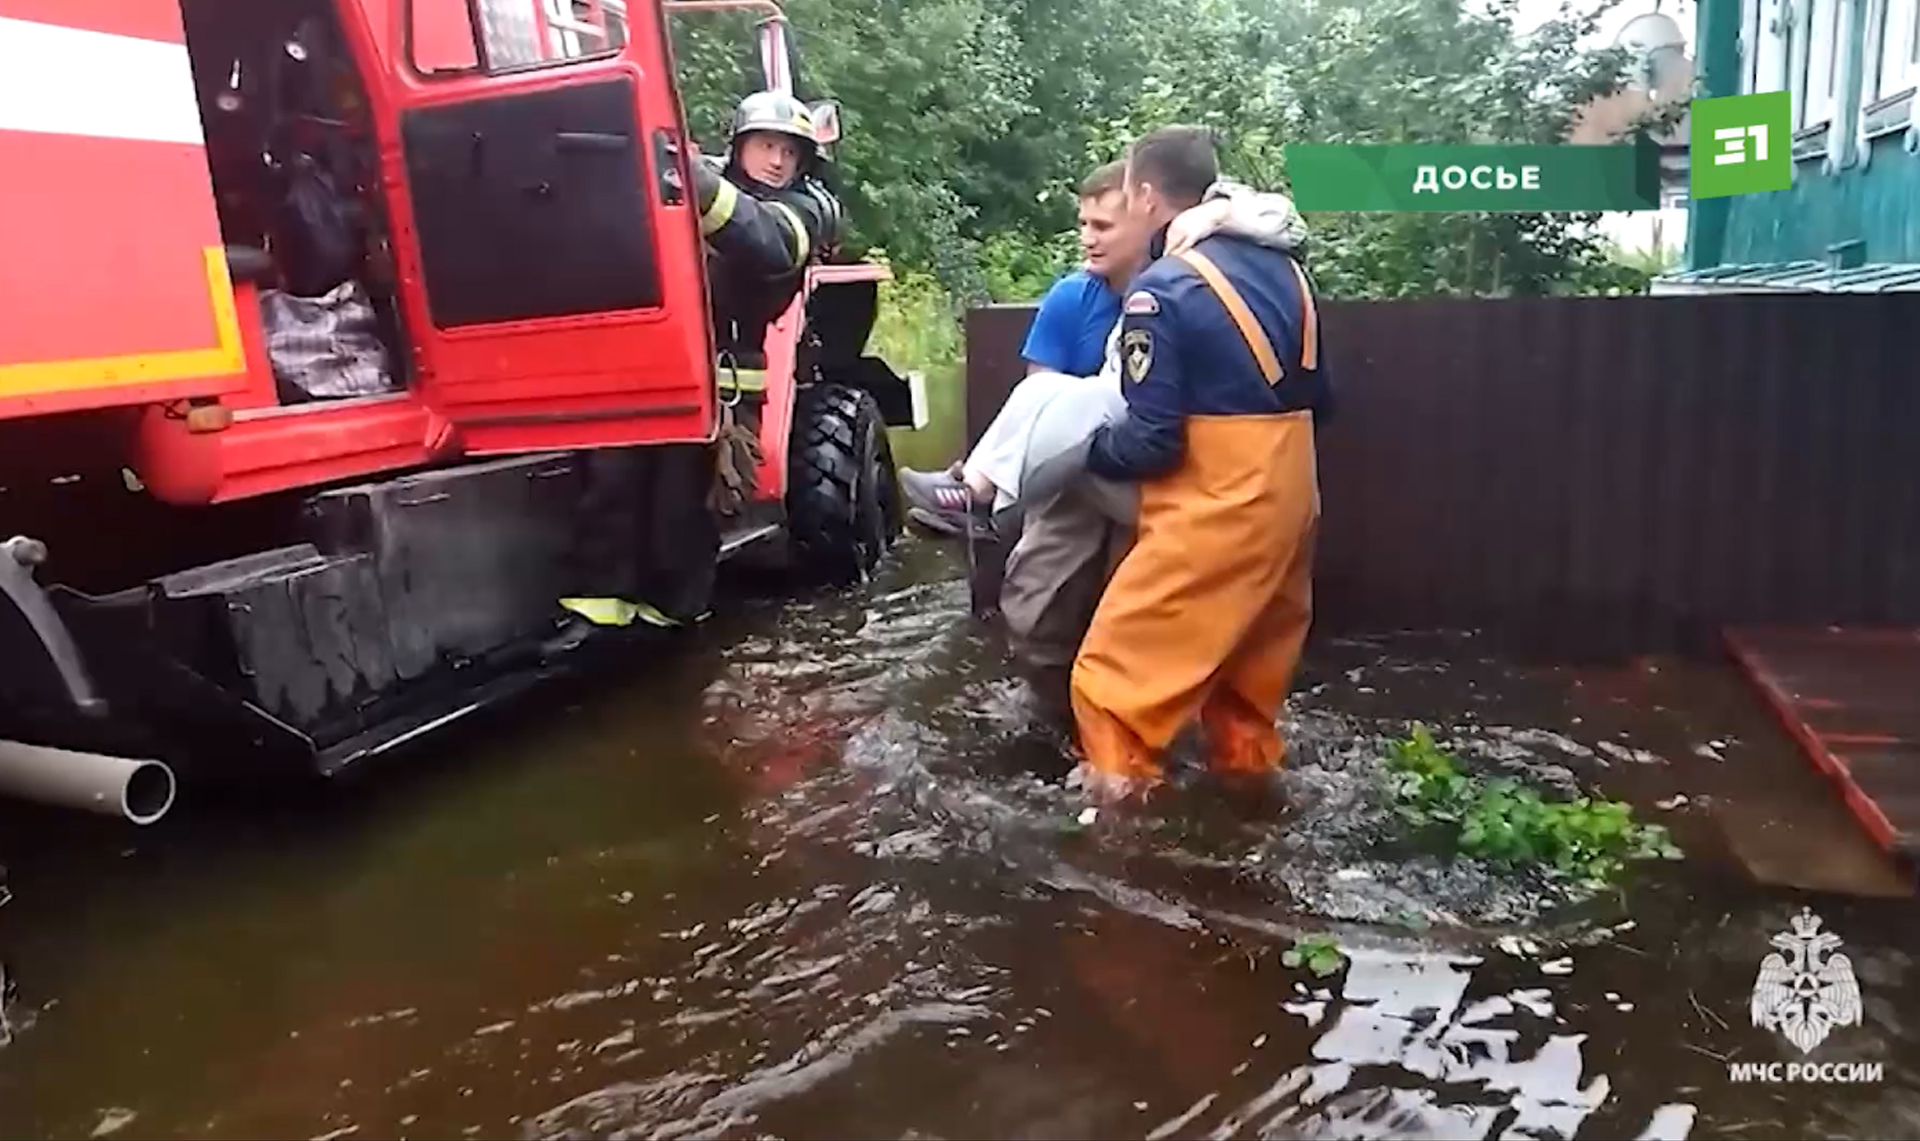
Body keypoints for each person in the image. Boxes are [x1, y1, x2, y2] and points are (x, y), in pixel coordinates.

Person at [897, 179, 1310, 711]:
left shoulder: (1184, 279)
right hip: (1090, 472)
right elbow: (1044, 409)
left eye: (1103, 226)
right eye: (1083, 225)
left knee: (1136, 638)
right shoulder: (1077, 298)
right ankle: (1060, 716)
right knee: (1037, 606)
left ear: (1147, 212)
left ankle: (978, 495)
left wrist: (1219, 212)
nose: (1088, 238)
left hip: (1162, 475)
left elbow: (1153, 431)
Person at [1068, 125, 1332, 810]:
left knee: (1110, 687)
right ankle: (1248, 806)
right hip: (1295, 496)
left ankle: (1118, 841)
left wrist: (1084, 451)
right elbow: (1322, 399)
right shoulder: (1287, 269)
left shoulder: (1162, 289)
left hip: (1221, 503)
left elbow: (1155, 443)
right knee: (1244, 691)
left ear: (1147, 195)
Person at [554, 91, 846, 642]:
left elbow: (765, 241)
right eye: (766, 145)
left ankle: (673, 631)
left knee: (680, 516)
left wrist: (687, 176)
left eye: (790, 151)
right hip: (648, 370)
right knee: (610, 488)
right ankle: (594, 617)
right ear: (740, 146)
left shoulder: (803, 212)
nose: (778, 160)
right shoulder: (695, 191)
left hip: (724, 394)